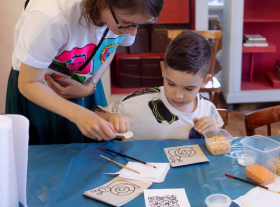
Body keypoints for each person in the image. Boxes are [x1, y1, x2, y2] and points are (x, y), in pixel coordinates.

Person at [6, 0, 165, 145]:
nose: (132, 33)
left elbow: (110, 46)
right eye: (126, 24)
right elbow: (28, 83)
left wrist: (90, 85)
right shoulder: (52, 15)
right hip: (40, 91)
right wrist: (78, 114)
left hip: (83, 84)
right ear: (103, 0)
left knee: (92, 158)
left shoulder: (125, 13)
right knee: (47, 162)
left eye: (141, 24)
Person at [94, 31, 224, 140]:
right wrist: (110, 117)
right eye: (171, 84)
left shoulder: (209, 110)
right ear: (162, 69)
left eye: (189, 88)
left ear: (205, 81)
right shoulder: (137, 102)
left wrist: (212, 133)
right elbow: (94, 116)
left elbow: (220, 144)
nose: (178, 95)